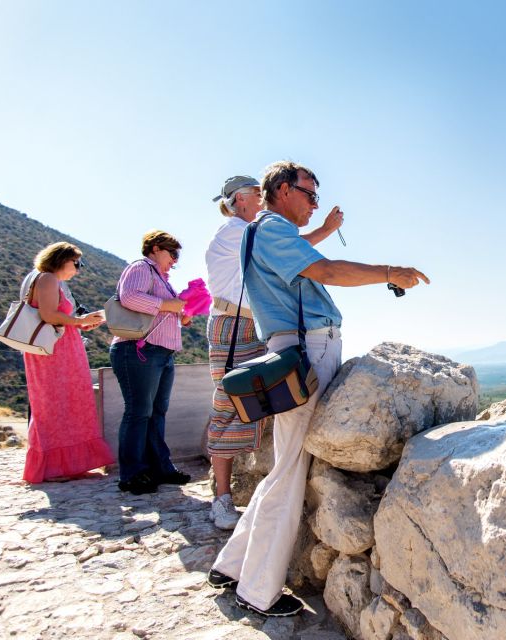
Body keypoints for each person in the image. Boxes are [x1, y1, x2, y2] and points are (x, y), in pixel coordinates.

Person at [208, 161, 429, 617]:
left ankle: (231, 566)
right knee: (289, 473)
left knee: (285, 467)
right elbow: (326, 271)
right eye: (310, 193)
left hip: (297, 347)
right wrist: (390, 271)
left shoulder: (265, 231)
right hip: (306, 350)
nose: (315, 202)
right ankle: (257, 589)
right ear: (284, 190)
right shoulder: (270, 228)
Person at [205, 176, 343, 530]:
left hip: (260, 322)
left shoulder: (257, 228)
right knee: (230, 404)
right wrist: (326, 229)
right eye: (255, 194)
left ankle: (253, 503)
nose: (261, 200)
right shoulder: (238, 230)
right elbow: (297, 252)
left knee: (271, 403)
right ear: (239, 200)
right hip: (235, 324)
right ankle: (221, 497)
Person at [21, 242, 114, 483]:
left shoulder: (49, 280)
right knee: (56, 403)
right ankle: (55, 467)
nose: (78, 268)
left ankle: (66, 465)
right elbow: (49, 315)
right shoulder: (48, 279)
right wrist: (80, 321)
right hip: (54, 353)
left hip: (61, 349)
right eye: (76, 263)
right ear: (61, 259)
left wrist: (81, 323)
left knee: (67, 402)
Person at [110, 230, 192, 495]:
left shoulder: (162, 279)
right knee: (138, 411)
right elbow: (130, 297)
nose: (175, 260)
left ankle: (159, 468)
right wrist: (171, 305)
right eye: (172, 254)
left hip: (160, 352)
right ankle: (132, 474)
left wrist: (182, 313)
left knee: (155, 412)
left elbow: (163, 310)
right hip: (138, 350)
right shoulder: (141, 267)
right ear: (156, 248)